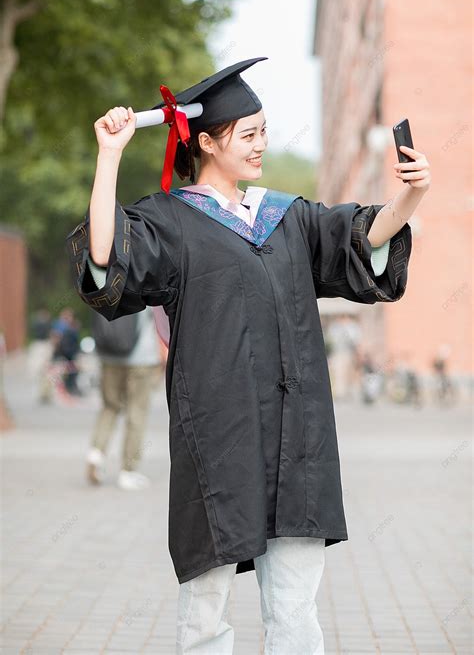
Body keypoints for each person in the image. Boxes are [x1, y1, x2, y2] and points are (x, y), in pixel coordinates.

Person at [66, 57, 431, 653]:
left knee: (295, 608)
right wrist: (108, 157)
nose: (263, 143)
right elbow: (106, 260)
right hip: (220, 438)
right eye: (250, 133)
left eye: (265, 130)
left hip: (297, 440)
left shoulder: (284, 216)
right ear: (207, 142)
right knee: (207, 610)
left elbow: (359, 239)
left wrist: (410, 195)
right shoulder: (171, 221)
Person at [86, 305, 162, 489]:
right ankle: (128, 471)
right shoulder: (148, 275)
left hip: (109, 355)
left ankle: (96, 454)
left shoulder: (108, 276)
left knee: (109, 407)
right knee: (137, 411)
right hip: (141, 358)